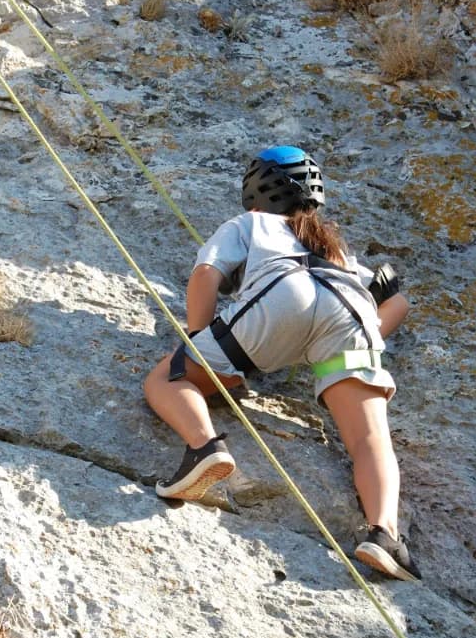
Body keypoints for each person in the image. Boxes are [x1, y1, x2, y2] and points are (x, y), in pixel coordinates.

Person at [142, 146, 419, 581]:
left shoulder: (251, 222)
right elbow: (397, 302)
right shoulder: (335, 247)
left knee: (166, 378)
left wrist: (200, 344)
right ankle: (384, 534)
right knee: (370, 439)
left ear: (255, 193)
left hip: (282, 296)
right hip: (352, 311)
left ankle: (205, 448)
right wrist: (341, 356)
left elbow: (206, 275)